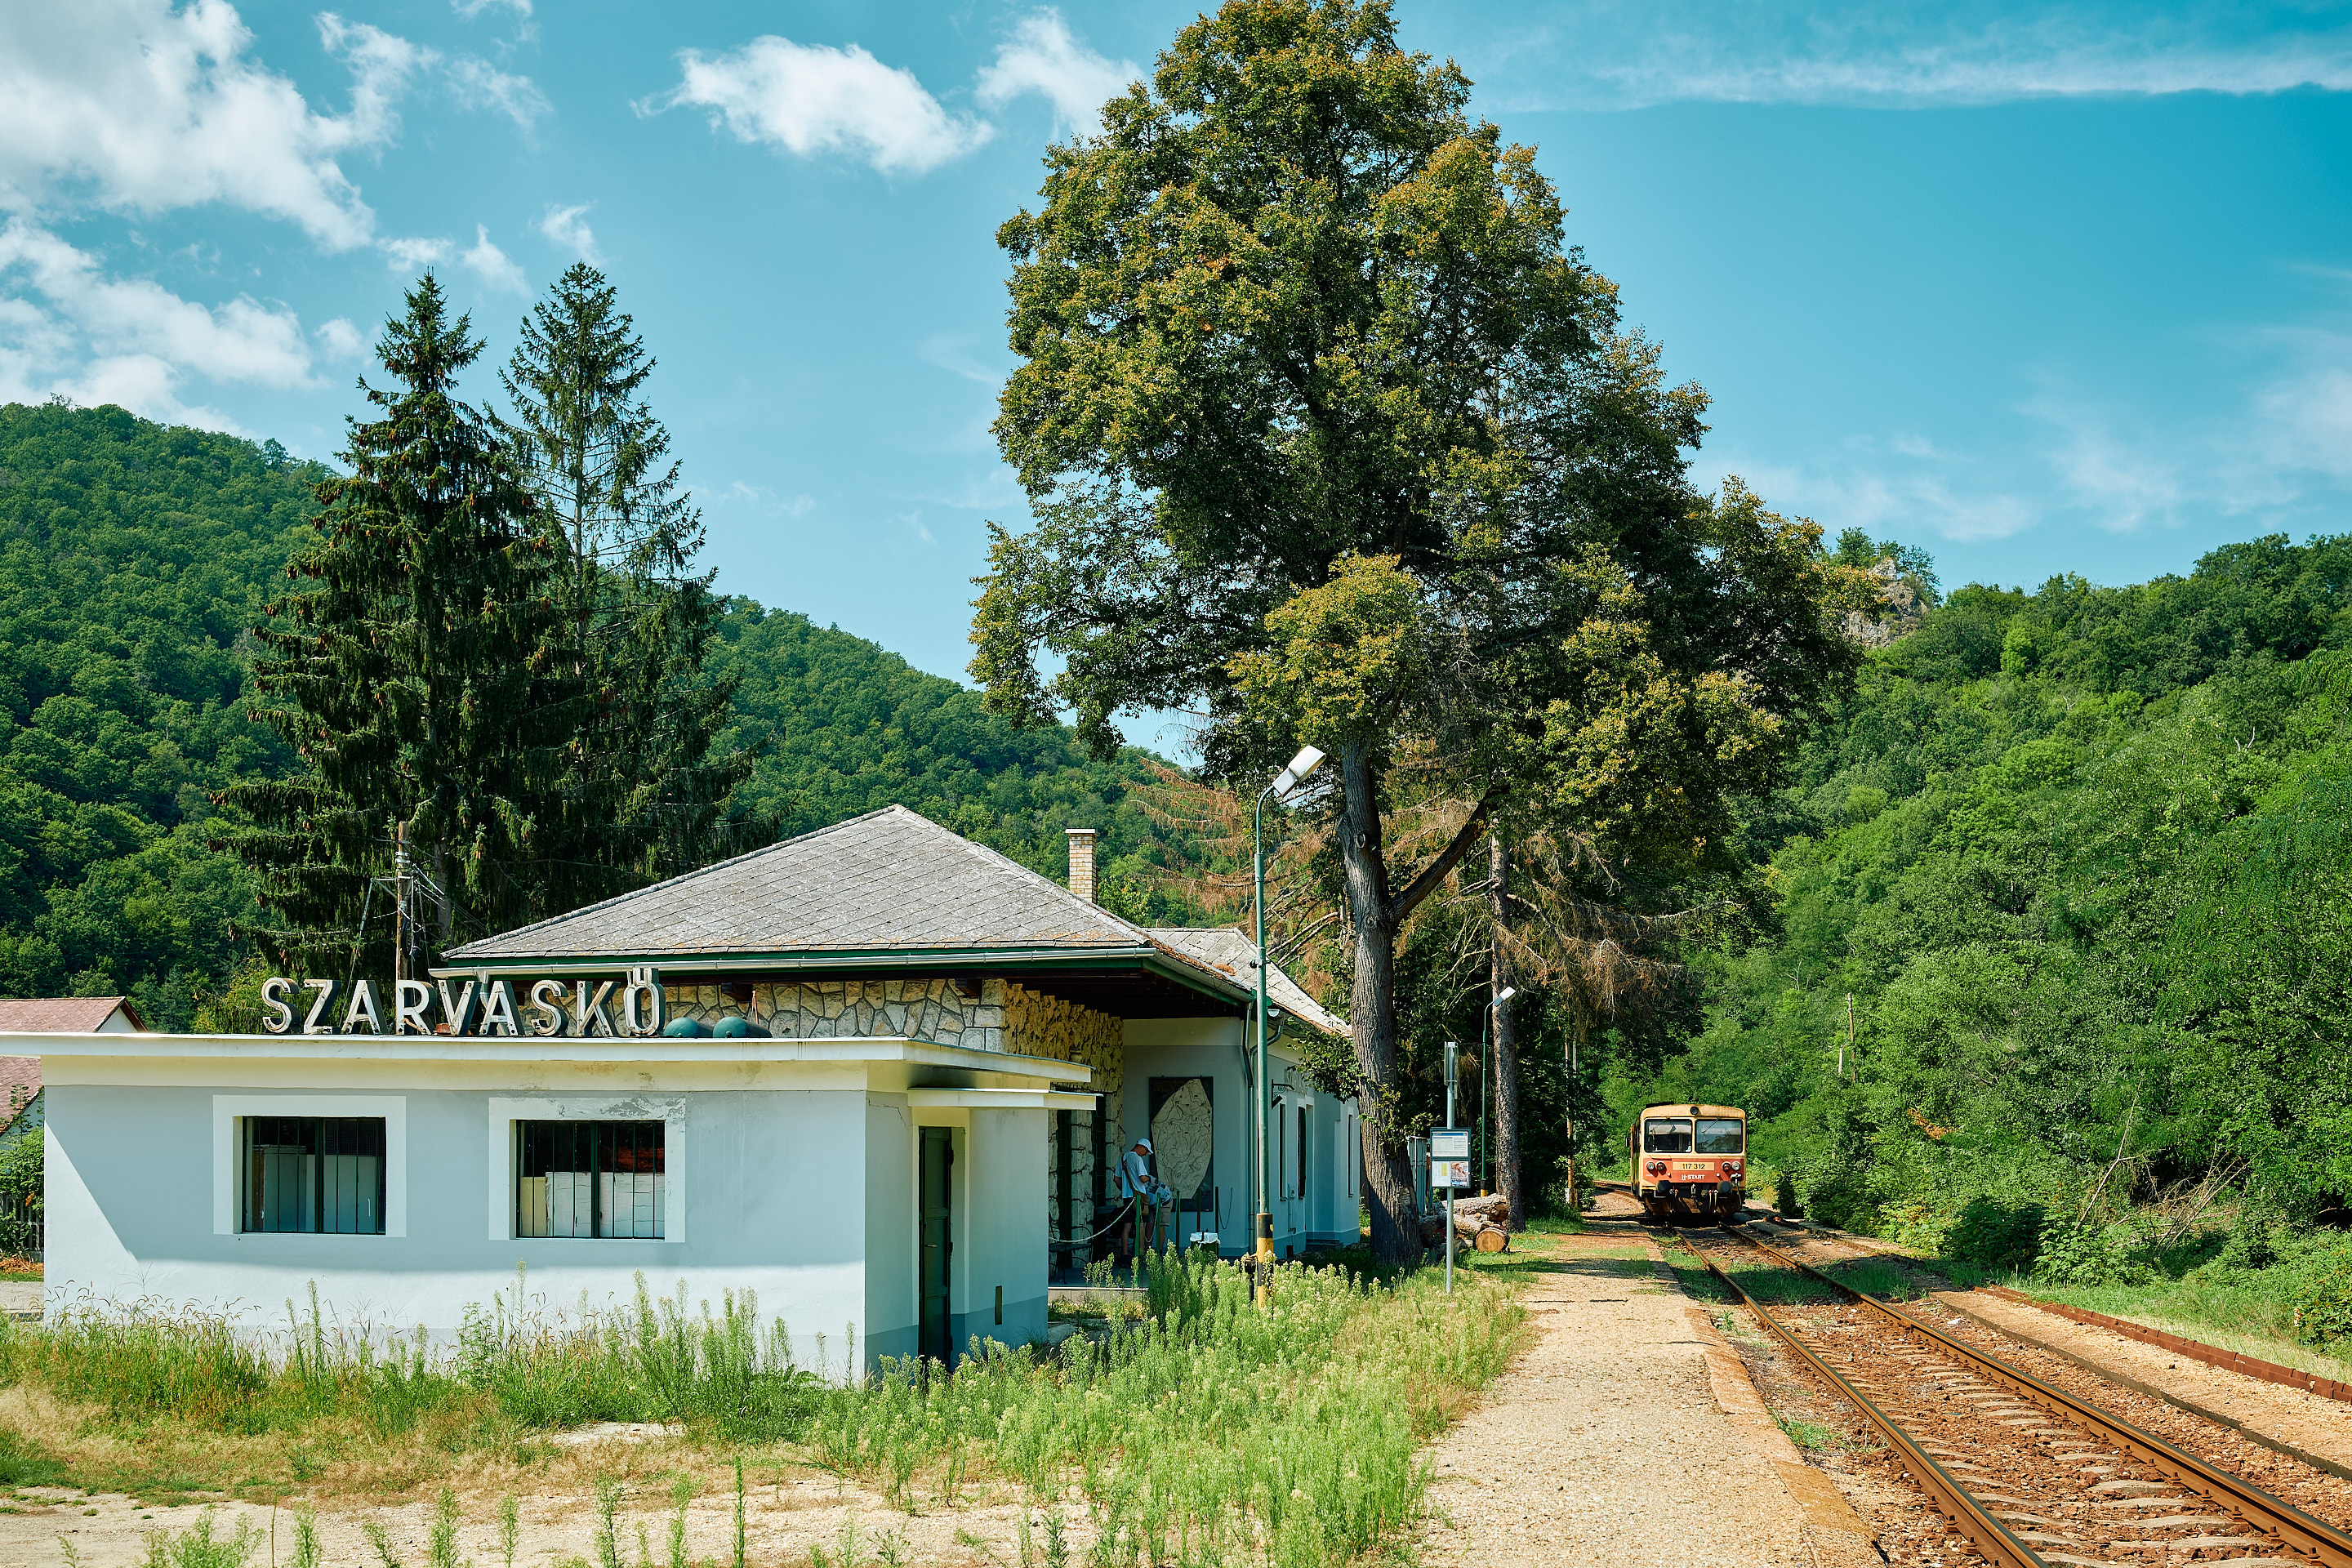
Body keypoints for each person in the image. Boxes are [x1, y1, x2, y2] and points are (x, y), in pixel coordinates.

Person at [1116, 1137, 1171, 1260]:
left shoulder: (1122, 1158)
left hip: (1127, 1197)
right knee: (1141, 1224)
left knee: (1127, 1226)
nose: (1146, 1154)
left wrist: (1125, 1189)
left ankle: (1125, 1256)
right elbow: (1143, 1178)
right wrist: (1149, 1178)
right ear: (1141, 1147)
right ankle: (1140, 1255)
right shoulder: (1137, 1158)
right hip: (1139, 1197)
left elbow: (1116, 1179)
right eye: (1146, 1151)